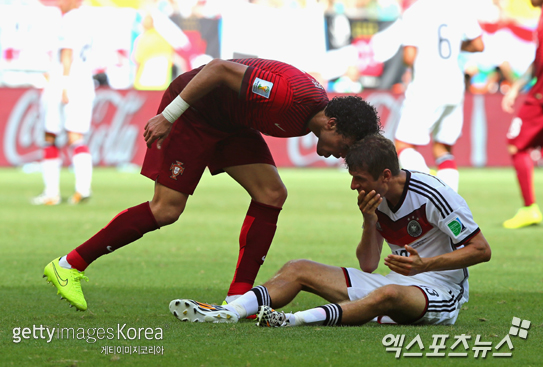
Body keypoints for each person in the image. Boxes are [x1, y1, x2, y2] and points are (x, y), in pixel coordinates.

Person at [43, 57, 381, 311]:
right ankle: (68, 266)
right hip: (195, 113)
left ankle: (238, 298)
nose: (342, 155)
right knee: (166, 209)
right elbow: (219, 69)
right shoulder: (285, 96)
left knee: (272, 193)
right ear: (332, 124)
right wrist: (169, 115)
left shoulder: (313, 112)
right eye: (345, 146)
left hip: (231, 121)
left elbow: (247, 62)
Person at [169, 134, 491, 327]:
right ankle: (229, 312)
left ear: (386, 175)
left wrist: (425, 265)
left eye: (359, 178)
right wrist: (369, 222)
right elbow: (368, 264)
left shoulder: (433, 195)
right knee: (298, 269)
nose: (353, 185)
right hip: (398, 282)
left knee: (388, 294)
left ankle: (294, 321)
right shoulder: (375, 198)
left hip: (442, 292)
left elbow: (481, 250)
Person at [393, 0, 484, 192]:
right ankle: (450, 203)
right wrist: (456, 46)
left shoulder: (415, 12)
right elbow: (478, 44)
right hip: (454, 86)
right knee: (443, 148)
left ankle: (429, 185)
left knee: (403, 143)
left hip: (426, 85)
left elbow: (409, 56)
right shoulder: (460, 8)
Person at [31, 0, 95, 206]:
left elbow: (66, 52)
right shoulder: (88, 20)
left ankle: (52, 194)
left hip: (65, 82)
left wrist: (64, 84)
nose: (59, 3)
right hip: (85, 82)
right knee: (76, 136)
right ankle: (82, 189)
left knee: (50, 134)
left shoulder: (69, 20)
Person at [500, 0, 543, 229]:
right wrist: (517, 87)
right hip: (540, 93)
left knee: (516, 145)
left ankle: (530, 208)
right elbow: (539, 61)